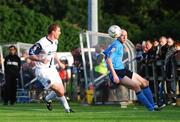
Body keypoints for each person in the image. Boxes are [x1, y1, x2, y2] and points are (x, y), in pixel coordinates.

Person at [103, 28, 159, 111]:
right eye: (122, 35)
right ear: (117, 36)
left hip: (122, 69)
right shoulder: (116, 45)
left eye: (126, 35)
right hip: (117, 72)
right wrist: (114, 75)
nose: (125, 37)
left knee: (145, 83)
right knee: (136, 87)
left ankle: (153, 105)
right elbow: (108, 58)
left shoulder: (120, 44)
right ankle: (151, 109)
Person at [29, 23, 74, 113]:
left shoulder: (55, 41)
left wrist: (59, 62)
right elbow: (30, 54)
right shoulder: (42, 43)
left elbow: (53, 53)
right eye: (58, 31)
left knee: (62, 90)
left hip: (52, 69)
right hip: (42, 71)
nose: (60, 33)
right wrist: (41, 60)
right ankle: (67, 109)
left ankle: (47, 98)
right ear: (53, 32)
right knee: (59, 91)